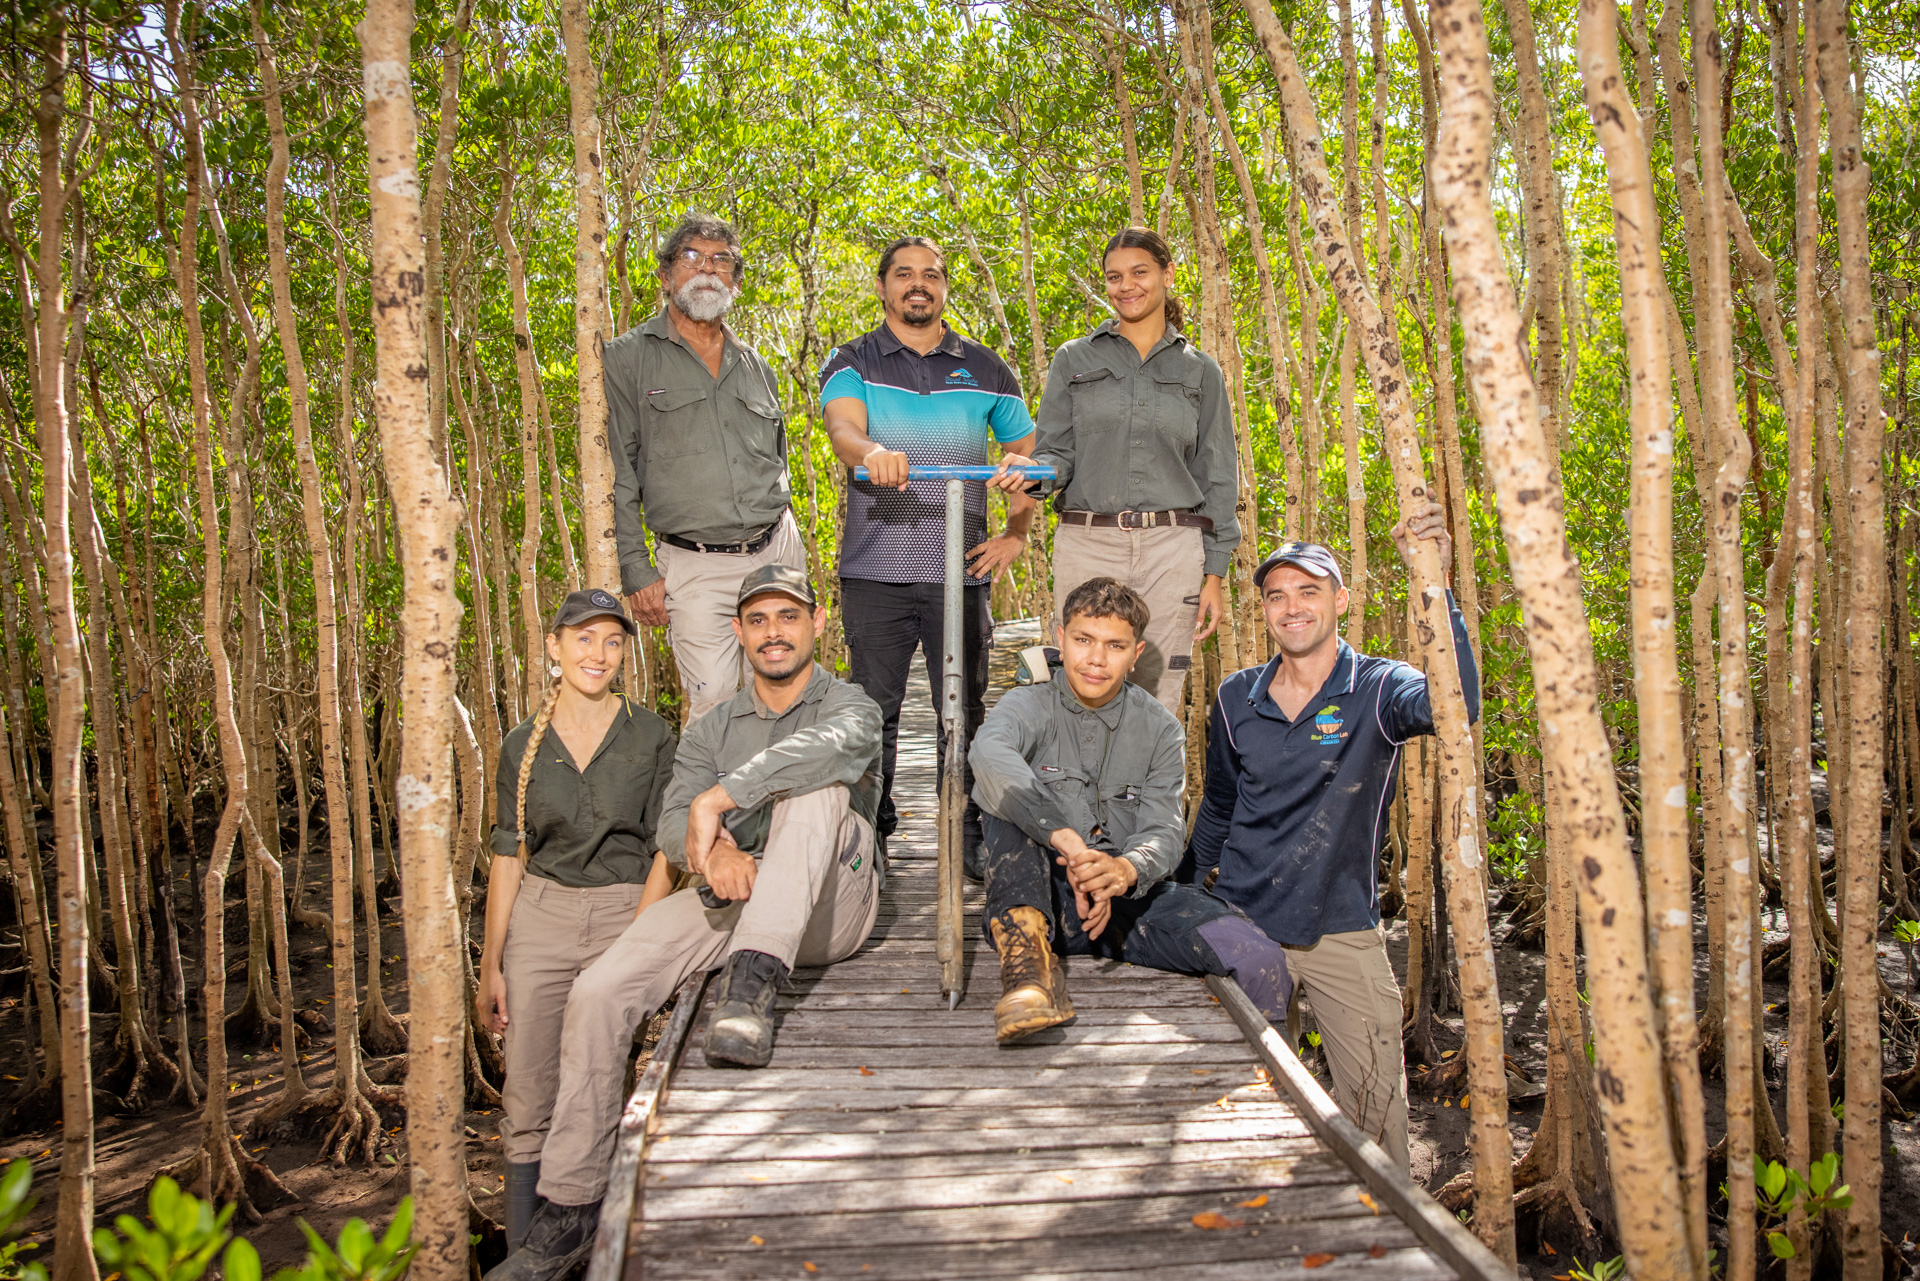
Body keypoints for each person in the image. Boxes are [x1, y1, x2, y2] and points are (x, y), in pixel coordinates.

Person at [488, 564, 883, 1281]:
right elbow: (674, 820)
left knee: (813, 785)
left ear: (817, 624)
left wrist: (722, 800)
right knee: (599, 989)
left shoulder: (849, 703)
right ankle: (573, 1205)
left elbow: (833, 751)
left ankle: (751, 988)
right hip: (740, 892)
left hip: (831, 903)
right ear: (737, 632)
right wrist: (713, 848)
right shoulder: (712, 725)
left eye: (788, 617)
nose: (773, 632)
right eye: (758, 620)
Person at [1178, 510, 1477, 1173]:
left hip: (1342, 929)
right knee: (1244, 1109)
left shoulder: (1379, 687)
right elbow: (1221, 805)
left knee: (1379, 1116)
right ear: (1264, 611)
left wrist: (1435, 583)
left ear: (1340, 600)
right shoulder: (1235, 697)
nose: (1292, 607)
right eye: (1276, 595)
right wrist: (1182, 898)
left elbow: (1458, 705)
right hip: (1243, 927)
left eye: (1308, 590)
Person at [970, 577, 1291, 1044]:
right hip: (1042, 904)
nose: (1096, 659)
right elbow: (988, 754)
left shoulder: (1160, 729)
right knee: (1006, 798)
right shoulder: (1025, 705)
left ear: (1135, 653)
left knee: (1257, 955)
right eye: (1083, 640)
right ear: (1060, 637)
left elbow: (1163, 830)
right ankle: (1029, 979)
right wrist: (1067, 839)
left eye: (1114, 645)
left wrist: (1122, 870)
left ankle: (1276, 1085)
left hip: (1126, 902)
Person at [820, 236, 1038, 867]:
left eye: (932, 275)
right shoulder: (853, 360)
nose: (919, 284)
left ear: (945, 287)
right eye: (905, 274)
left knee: (965, 710)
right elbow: (843, 429)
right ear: (883, 285)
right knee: (872, 713)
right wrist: (871, 453)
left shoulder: (987, 367)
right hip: (875, 571)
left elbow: (1027, 453)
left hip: (960, 570)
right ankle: (870, 837)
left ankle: (968, 832)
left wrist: (1016, 532)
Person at [475, 589, 678, 1252]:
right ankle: (523, 1255)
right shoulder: (519, 745)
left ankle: (590, 1245)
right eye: (583, 638)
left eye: (612, 640)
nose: (599, 652)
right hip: (542, 914)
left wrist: (642, 939)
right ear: (555, 648)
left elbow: (664, 850)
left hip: (625, 909)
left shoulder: (650, 734)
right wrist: (491, 966)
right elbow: (509, 854)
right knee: (528, 1095)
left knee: (600, 1083)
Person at [992, 227, 1240, 713]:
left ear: (1167, 275)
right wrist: (1032, 472)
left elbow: (1218, 476)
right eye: (1114, 277)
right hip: (1089, 543)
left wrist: (1214, 571)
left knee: (1159, 699)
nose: (1126, 286)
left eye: (1139, 273)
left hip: (1174, 550)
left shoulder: (1201, 371)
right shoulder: (1074, 359)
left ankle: (1152, 793)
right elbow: (1055, 456)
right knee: (1081, 690)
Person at [605, 212, 807, 723]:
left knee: (787, 692)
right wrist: (635, 568)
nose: (706, 270)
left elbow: (775, 456)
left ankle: (788, 804)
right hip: (695, 563)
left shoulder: (755, 363)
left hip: (776, 547)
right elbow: (618, 471)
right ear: (666, 274)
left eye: (721, 261)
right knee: (715, 701)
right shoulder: (626, 358)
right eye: (691, 257)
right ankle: (710, 805)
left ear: (735, 280)